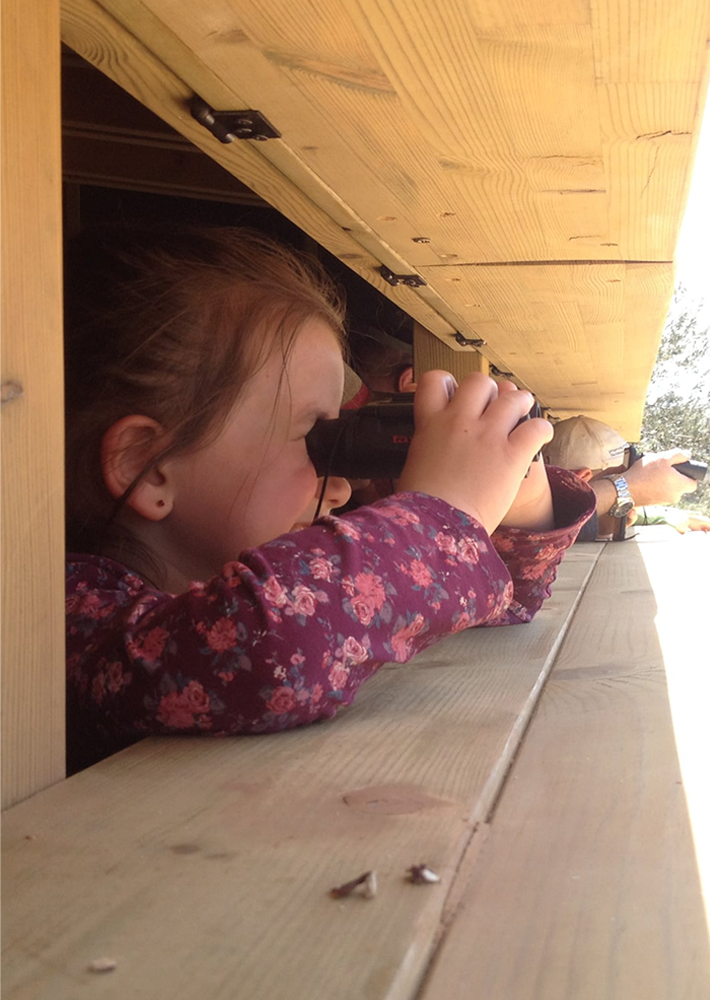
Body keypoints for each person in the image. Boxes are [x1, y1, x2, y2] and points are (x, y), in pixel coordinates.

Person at [64, 225, 595, 772]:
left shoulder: (295, 584)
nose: (339, 486)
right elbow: (268, 651)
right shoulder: (62, 613)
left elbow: (466, 603)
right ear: (147, 467)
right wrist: (444, 515)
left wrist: (517, 509)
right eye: (313, 438)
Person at [541, 414, 702, 540]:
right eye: (615, 478)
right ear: (582, 479)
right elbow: (556, 524)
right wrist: (625, 488)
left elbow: (646, 514)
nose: (624, 493)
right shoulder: (543, 524)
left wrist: (675, 516)